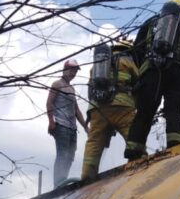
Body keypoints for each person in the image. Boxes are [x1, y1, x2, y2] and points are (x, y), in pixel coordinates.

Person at [124, 0, 180, 159]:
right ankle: (174, 145)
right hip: (176, 74)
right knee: (174, 110)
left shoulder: (150, 25)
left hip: (151, 73)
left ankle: (133, 149)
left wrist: (144, 68)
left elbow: (136, 50)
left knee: (145, 110)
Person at [80, 38, 139, 181]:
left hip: (98, 110)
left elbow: (90, 89)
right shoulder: (127, 62)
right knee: (133, 137)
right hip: (122, 107)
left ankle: (87, 174)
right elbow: (138, 82)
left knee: (94, 142)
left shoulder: (96, 67)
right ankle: (139, 164)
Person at [46, 58, 89, 186]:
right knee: (62, 154)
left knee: (70, 156)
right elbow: (49, 103)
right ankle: (58, 184)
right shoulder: (57, 84)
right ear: (65, 69)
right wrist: (51, 121)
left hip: (72, 128)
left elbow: (76, 110)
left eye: (75, 71)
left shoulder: (71, 88)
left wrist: (86, 127)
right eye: (71, 70)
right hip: (61, 125)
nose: (73, 73)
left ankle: (63, 181)